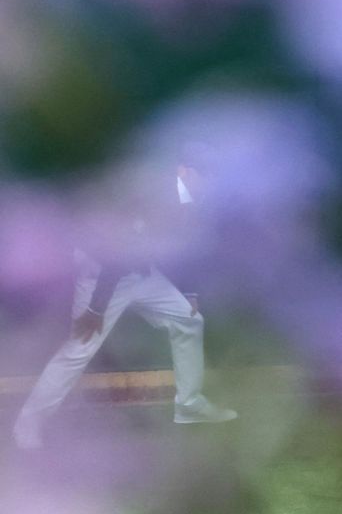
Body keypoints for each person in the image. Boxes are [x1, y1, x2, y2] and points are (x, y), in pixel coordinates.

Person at [12, 153, 237, 449]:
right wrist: (94, 309)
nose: (206, 183)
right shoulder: (151, 188)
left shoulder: (187, 198)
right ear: (182, 170)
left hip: (141, 273)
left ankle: (189, 404)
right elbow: (112, 255)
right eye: (201, 175)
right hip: (104, 276)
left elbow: (179, 252)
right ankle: (29, 423)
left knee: (189, 320)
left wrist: (188, 294)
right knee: (80, 348)